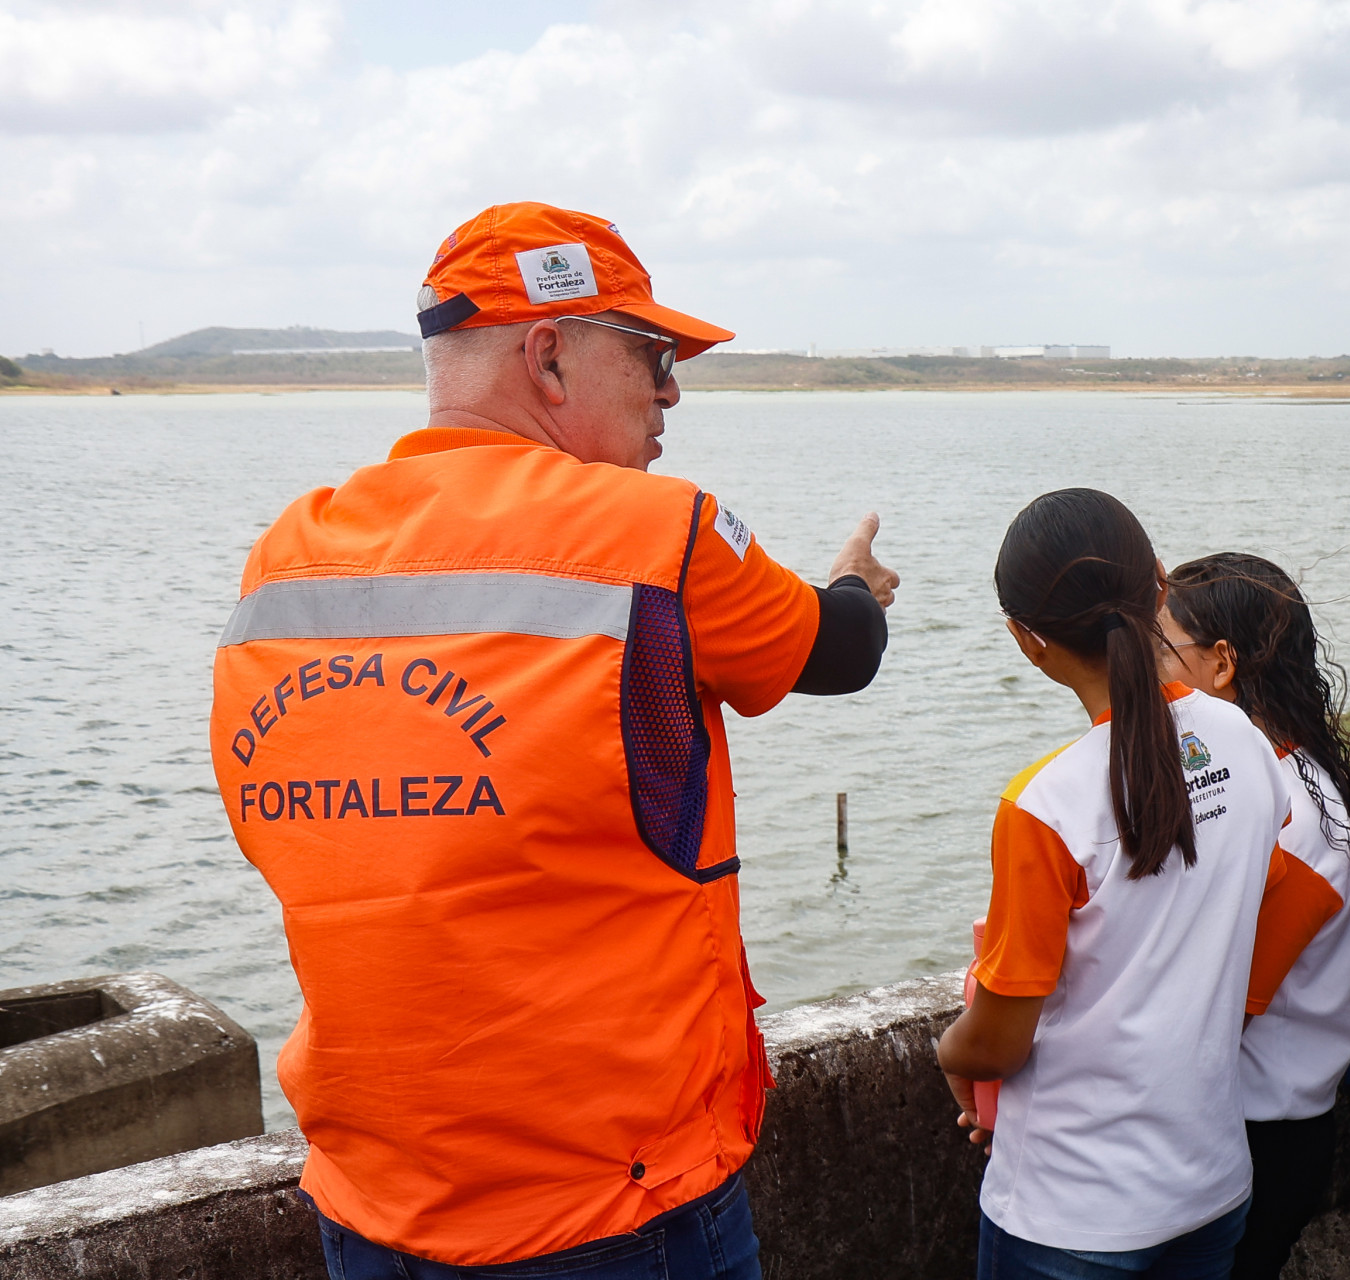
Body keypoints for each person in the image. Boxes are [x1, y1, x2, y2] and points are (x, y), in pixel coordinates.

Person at [209, 202, 899, 1280]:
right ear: (548, 357)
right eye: (652, 357)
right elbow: (840, 649)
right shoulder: (657, 531)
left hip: (367, 1199)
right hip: (612, 1204)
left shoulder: (285, 556)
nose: (671, 393)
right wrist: (854, 579)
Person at [935, 489, 1298, 1280]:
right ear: (1159, 584)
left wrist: (950, 1051)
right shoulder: (1243, 737)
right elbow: (1249, 887)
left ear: (1026, 640)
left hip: (1074, 1209)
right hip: (1208, 1185)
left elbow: (998, 1040)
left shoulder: (1046, 804)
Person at [1158, 553, 1350, 1280]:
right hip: (1246, 1121)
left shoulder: (1297, 815)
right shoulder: (1265, 778)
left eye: (1160, 648)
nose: (1141, 667)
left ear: (1221, 663)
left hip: (1261, 1134)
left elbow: (1228, 1002)